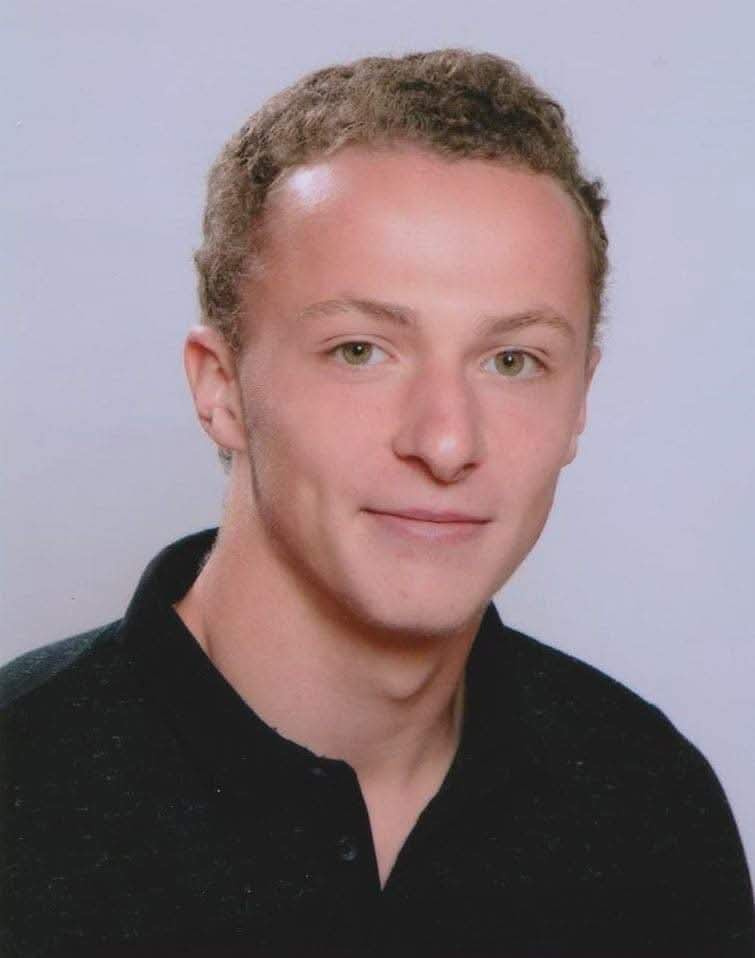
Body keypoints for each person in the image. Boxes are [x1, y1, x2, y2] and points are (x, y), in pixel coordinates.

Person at [1, 49, 752, 958]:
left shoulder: (648, 806)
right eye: (360, 350)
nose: (446, 442)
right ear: (220, 387)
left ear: (578, 403)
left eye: (511, 361)